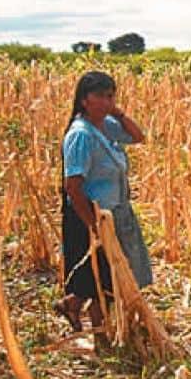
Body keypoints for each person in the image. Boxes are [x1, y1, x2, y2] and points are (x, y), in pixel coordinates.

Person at [54, 71, 152, 343]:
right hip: (90, 215)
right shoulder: (81, 135)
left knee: (107, 272)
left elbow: (138, 136)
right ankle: (102, 337)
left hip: (112, 213)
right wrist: (93, 226)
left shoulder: (105, 125)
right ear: (84, 100)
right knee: (103, 279)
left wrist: (119, 114)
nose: (107, 102)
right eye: (101, 96)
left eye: (111, 96)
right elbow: (73, 186)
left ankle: (72, 305)